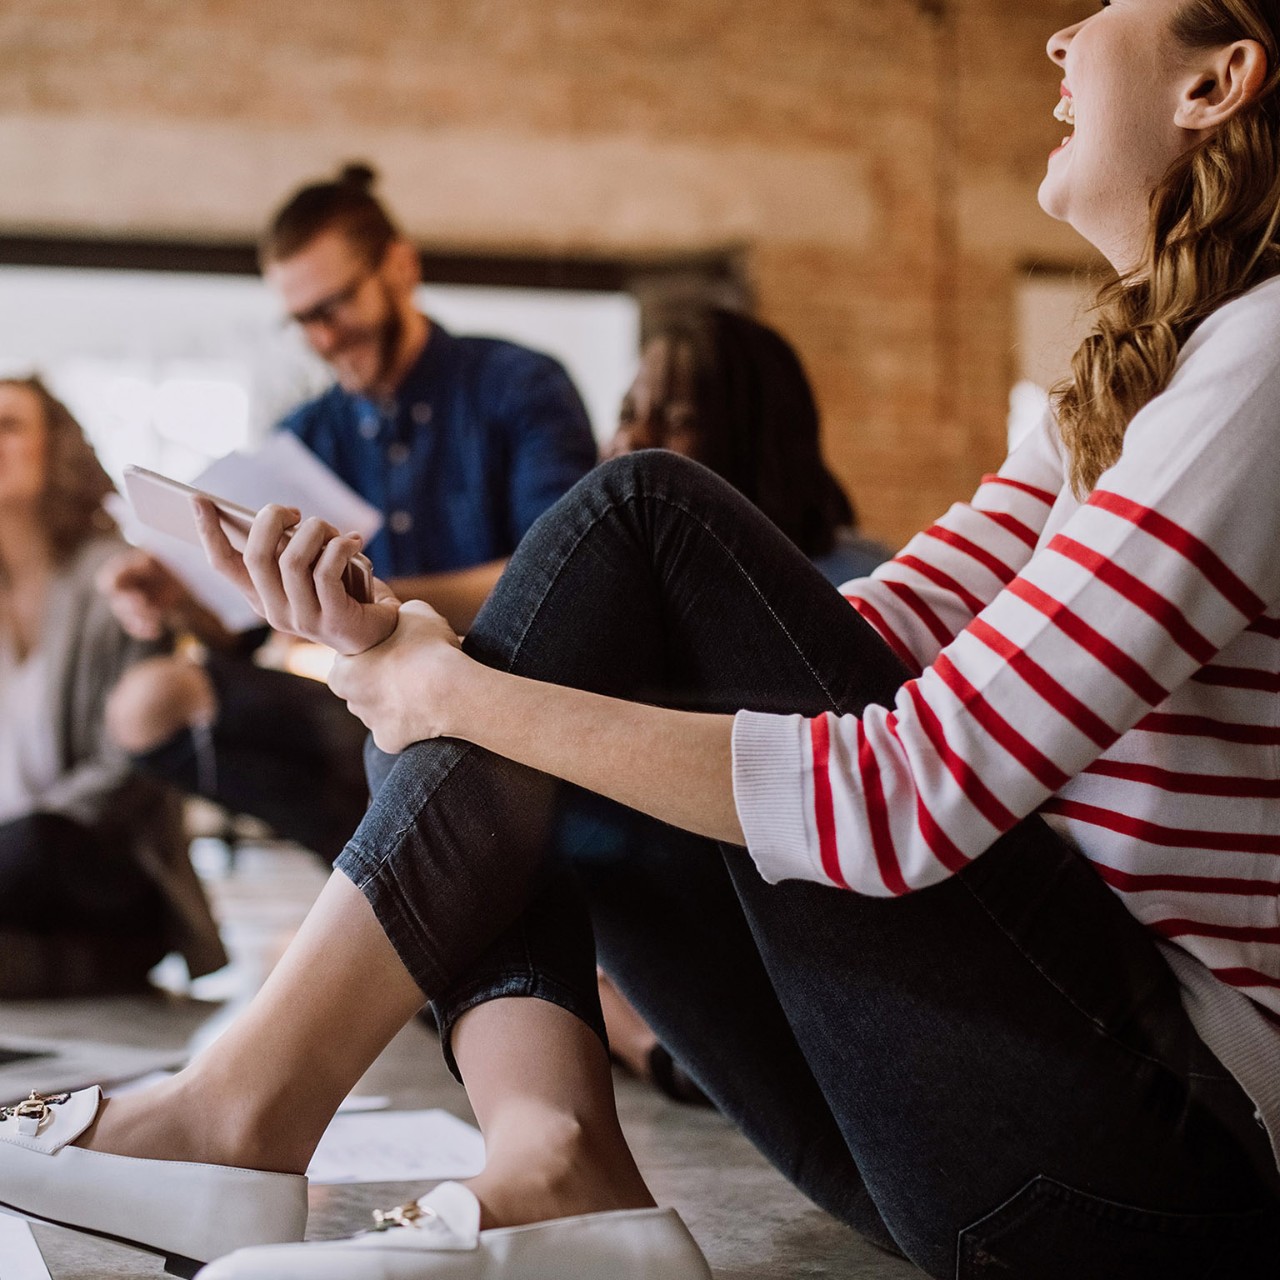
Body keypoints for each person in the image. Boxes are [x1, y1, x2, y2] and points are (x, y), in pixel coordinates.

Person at [4, 3, 1280, 1278]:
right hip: (964, 1138)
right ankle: (551, 1163)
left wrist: (452, 690)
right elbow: (848, 644)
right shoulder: (1107, 394)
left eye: (1107, 2)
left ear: (1217, 82)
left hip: (1153, 1152)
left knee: (635, 514)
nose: (1057, 39)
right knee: (520, 684)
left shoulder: (1264, 354)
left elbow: (908, 794)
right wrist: (414, 647)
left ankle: (238, 1115)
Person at [101, 162, 598, 862]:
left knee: (412, 735)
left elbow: (569, 578)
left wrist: (374, 601)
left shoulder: (518, 386)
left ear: (399, 268)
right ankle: (386, 881)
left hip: (498, 691)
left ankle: (399, 886)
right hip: (359, 709)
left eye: (334, 306)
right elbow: (255, 637)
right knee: (148, 704)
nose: (324, 338)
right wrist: (187, 601)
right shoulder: (305, 436)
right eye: (303, 320)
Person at [590, 305, 891, 1101]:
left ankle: (648, 1042)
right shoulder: (627, 599)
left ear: (756, 439)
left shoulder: (853, 588)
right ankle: (646, 1041)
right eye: (628, 413)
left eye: (678, 421)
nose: (633, 442)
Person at [0, 377, 224, 998]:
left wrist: (21, 839)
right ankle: (72, 968)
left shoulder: (116, 576)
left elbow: (130, 768)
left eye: (9, 426)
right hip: (11, 880)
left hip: (97, 861)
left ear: (57, 449)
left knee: (35, 840)